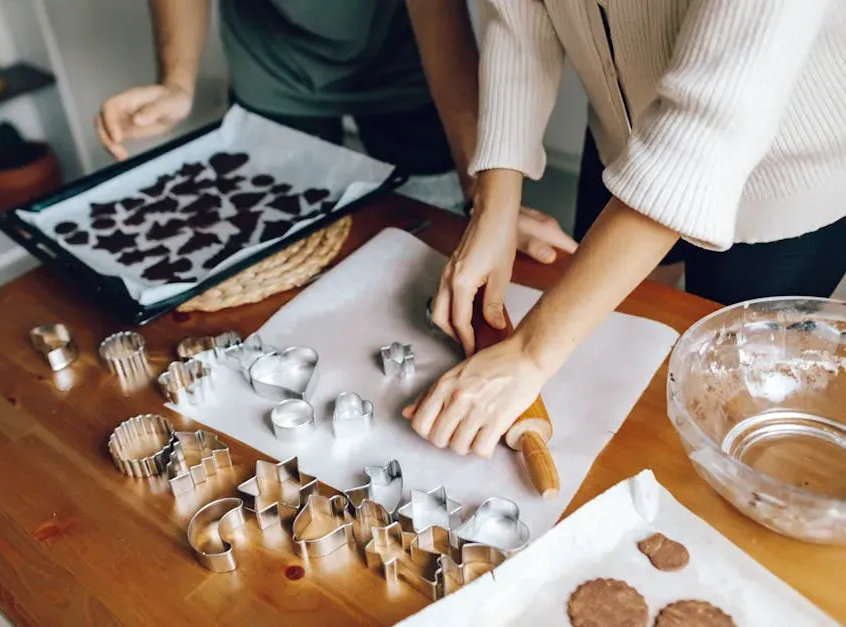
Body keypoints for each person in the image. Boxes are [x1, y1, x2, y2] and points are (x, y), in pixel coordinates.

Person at [407, 0, 846, 458]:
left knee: (724, 408)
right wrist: (493, 205)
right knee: (603, 362)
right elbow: (519, 20)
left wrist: (530, 354)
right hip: (622, 141)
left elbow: (703, 130)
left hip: (782, 182)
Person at [94, 0, 578, 264]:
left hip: (404, 65)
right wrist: (176, 82)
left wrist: (484, 200)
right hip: (273, 68)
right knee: (282, 243)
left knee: (437, 224)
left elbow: (441, 27)